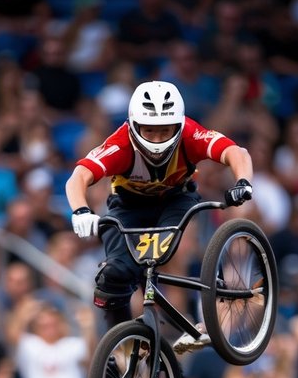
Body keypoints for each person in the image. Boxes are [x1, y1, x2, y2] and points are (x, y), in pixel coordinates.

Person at [63, 79, 254, 353]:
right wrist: (81, 210)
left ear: (178, 126)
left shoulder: (190, 134)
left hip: (175, 200)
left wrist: (243, 181)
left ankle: (190, 322)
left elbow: (236, 152)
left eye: (164, 131)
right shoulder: (120, 144)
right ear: (133, 125)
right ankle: (122, 346)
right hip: (127, 207)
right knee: (114, 276)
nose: (156, 140)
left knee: (161, 254)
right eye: (149, 131)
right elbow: (78, 177)